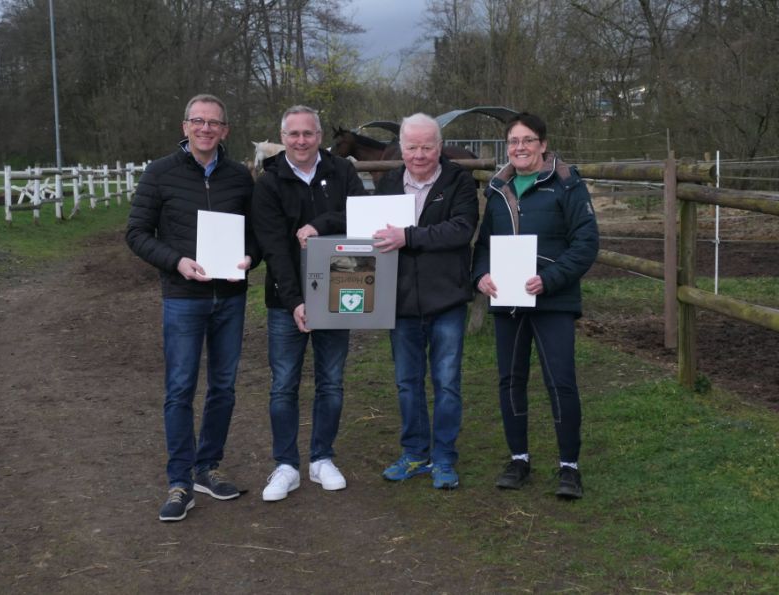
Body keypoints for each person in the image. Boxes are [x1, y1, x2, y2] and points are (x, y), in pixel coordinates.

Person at [126, 94, 258, 521]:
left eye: (214, 122)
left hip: (231, 298)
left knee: (223, 387)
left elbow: (258, 234)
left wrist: (251, 257)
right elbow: (137, 233)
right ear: (184, 126)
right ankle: (179, 480)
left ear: (225, 131)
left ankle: (208, 467)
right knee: (181, 388)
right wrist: (176, 262)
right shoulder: (160, 174)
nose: (205, 128)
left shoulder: (240, 178)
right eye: (197, 121)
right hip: (184, 298)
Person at [471, 112, 599, 499]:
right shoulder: (497, 189)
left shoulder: (567, 185)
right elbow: (483, 248)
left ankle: (569, 467)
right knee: (511, 380)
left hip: (552, 300)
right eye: (513, 141)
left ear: (543, 144)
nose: (520, 148)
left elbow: (586, 244)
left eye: (528, 140)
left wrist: (551, 279)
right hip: (508, 302)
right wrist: (480, 277)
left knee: (560, 381)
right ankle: (519, 459)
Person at [252, 105, 366, 501]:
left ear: (319, 136)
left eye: (308, 134)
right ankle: (286, 465)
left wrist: (322, 224)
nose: (301, 141)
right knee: (284, 384)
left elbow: (359, 217)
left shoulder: (342, 172)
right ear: (282, 138)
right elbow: (272, 246)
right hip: (286, 301)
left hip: (338, 294)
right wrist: (297, 301)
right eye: (293, 134)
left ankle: (322, 458)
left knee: (331, 382)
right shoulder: (268, 182)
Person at [372, 113, 479, 489]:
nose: (419, 155)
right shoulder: (387, 183)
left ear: (439, 146)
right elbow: (369, 230)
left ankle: (445, 457)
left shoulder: (459, 182)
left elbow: (461, 229)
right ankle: (415, 452)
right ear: (401, 148)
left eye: (427, 146)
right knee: (407, 382)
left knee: (447, 381)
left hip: (446, 298)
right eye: (412, 147)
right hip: (400, 301)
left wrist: (409, 237)